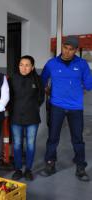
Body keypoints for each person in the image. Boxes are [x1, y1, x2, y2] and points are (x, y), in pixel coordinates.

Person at [41, 36, 92, 181]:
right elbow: (42, 80)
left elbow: (89, 85)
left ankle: (80, 167)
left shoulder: (82, 64)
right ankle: (50, 163)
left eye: (71, 49)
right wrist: (47, 90)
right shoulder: (51, 63)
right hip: (56, 106)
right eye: (65, 48)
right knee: (53, 137)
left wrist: (83, 85)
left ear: (75, 50)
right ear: (62, 46)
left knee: (78, 139)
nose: (67, 52)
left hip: (76, 107)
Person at [8, 55, 44, 181]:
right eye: (21, 65)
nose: (23, 68)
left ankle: (28, 169)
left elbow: (41, 97)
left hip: (32, 117)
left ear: (32, 67)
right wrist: (13, 109)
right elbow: (9, 97)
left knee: (30, 144)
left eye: (27, 65)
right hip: (16, 116)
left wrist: (33, 107)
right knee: (17, 144)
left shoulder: (37, 79)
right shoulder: (13, 78)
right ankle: (18, 169)